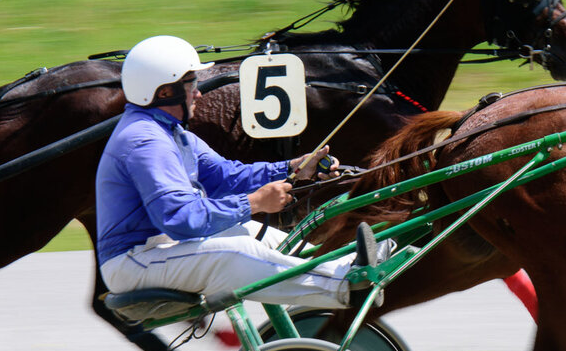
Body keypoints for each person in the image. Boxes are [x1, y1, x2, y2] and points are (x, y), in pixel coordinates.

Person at [96, 35, 383, 312]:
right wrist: (254, 203)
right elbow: (181, 218)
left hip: (159, 250)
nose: (198, 92)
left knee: (257, 233)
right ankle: (345, 285)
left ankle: (342, 268)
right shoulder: (145, 142)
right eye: (191, 83)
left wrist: (293, 168)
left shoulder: (170, 132)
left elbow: (226, 177)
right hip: (133, 262)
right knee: (236, 253)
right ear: (164, 92)